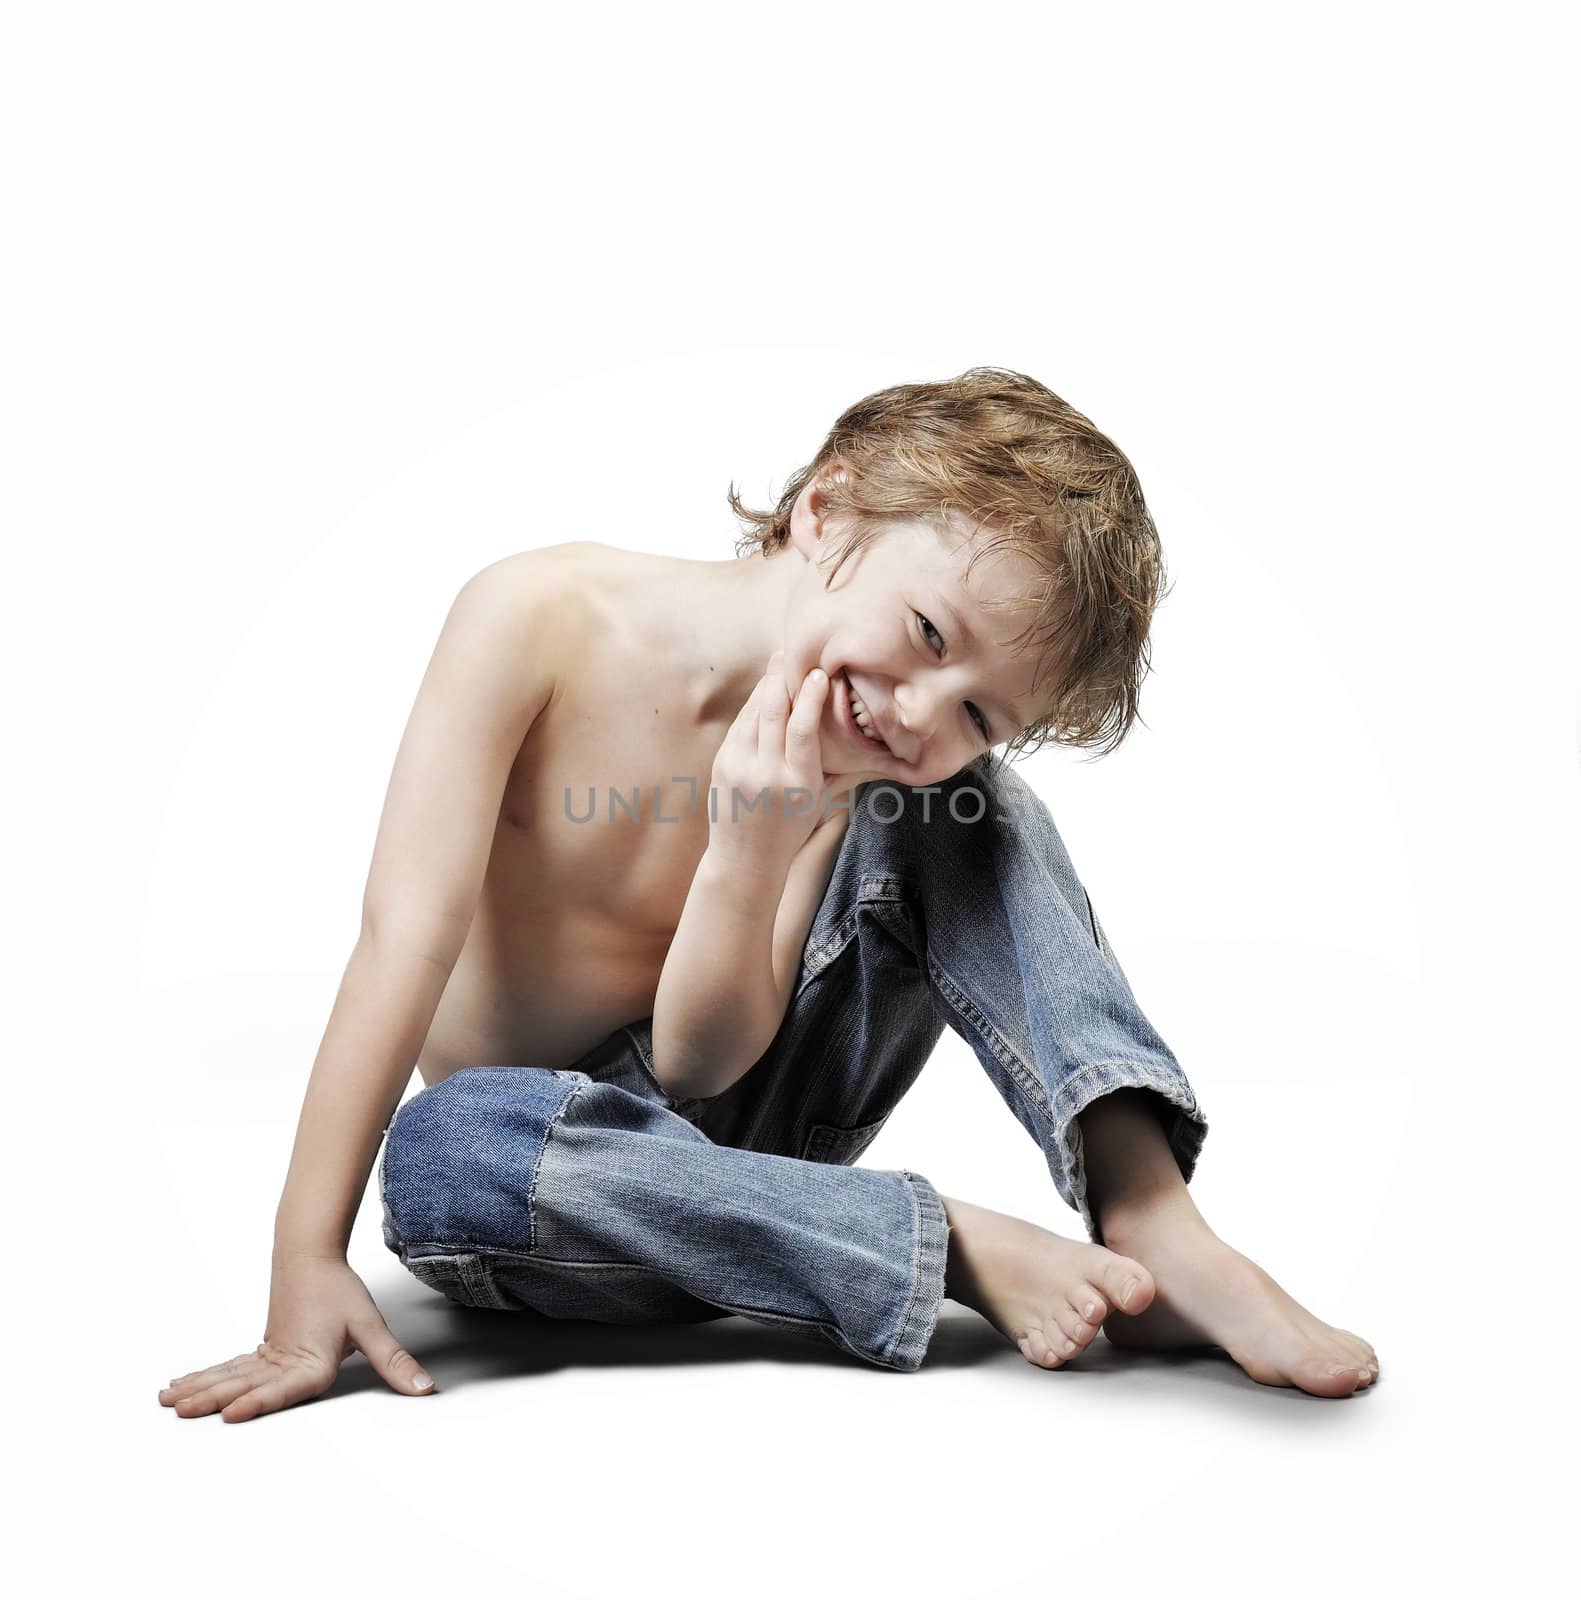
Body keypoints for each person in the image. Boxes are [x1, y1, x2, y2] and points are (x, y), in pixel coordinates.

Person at [158, 368, 1378, 1423]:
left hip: (751, 1123)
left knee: (971, 810)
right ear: (828, 509)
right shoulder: (535, 617)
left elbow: (698, 1067)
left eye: (975, 712)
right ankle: (938, 1242)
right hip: (586, 1184)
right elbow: (399, 939)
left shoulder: (862, 769)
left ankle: (1148, 1207)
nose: (915, 710)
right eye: (923, 629)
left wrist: (751, 849)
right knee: (442, 1151)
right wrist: (303, 1253)